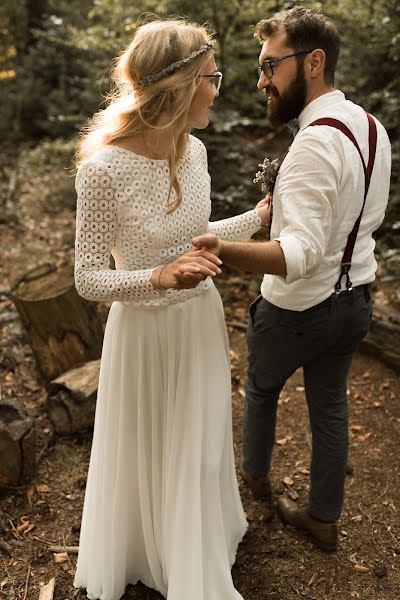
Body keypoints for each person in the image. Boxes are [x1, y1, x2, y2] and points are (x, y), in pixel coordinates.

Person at [73, 18, 269, 600]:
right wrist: (158, 276)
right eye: (212, 77)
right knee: (155, 444)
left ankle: (195, 542)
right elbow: (87, 278)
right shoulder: (102, 169)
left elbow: (196, 236)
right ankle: (151, 548)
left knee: (199, 445)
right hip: (144, 334)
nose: (219, 88)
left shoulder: (196, 149)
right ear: (179, 84)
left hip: (198, 322)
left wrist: (259, 217)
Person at [190, 6, 391, 552]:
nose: (261, 81)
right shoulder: (372, 128)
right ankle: (324, 518)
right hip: (355, 303)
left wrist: (220, 248)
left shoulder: (311, 147)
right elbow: (356, 219)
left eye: (270, 66)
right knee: (329, 404)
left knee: (260, 388)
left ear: (314, 61)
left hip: (296, 310)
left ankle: (254, 479)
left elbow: (298, 254)